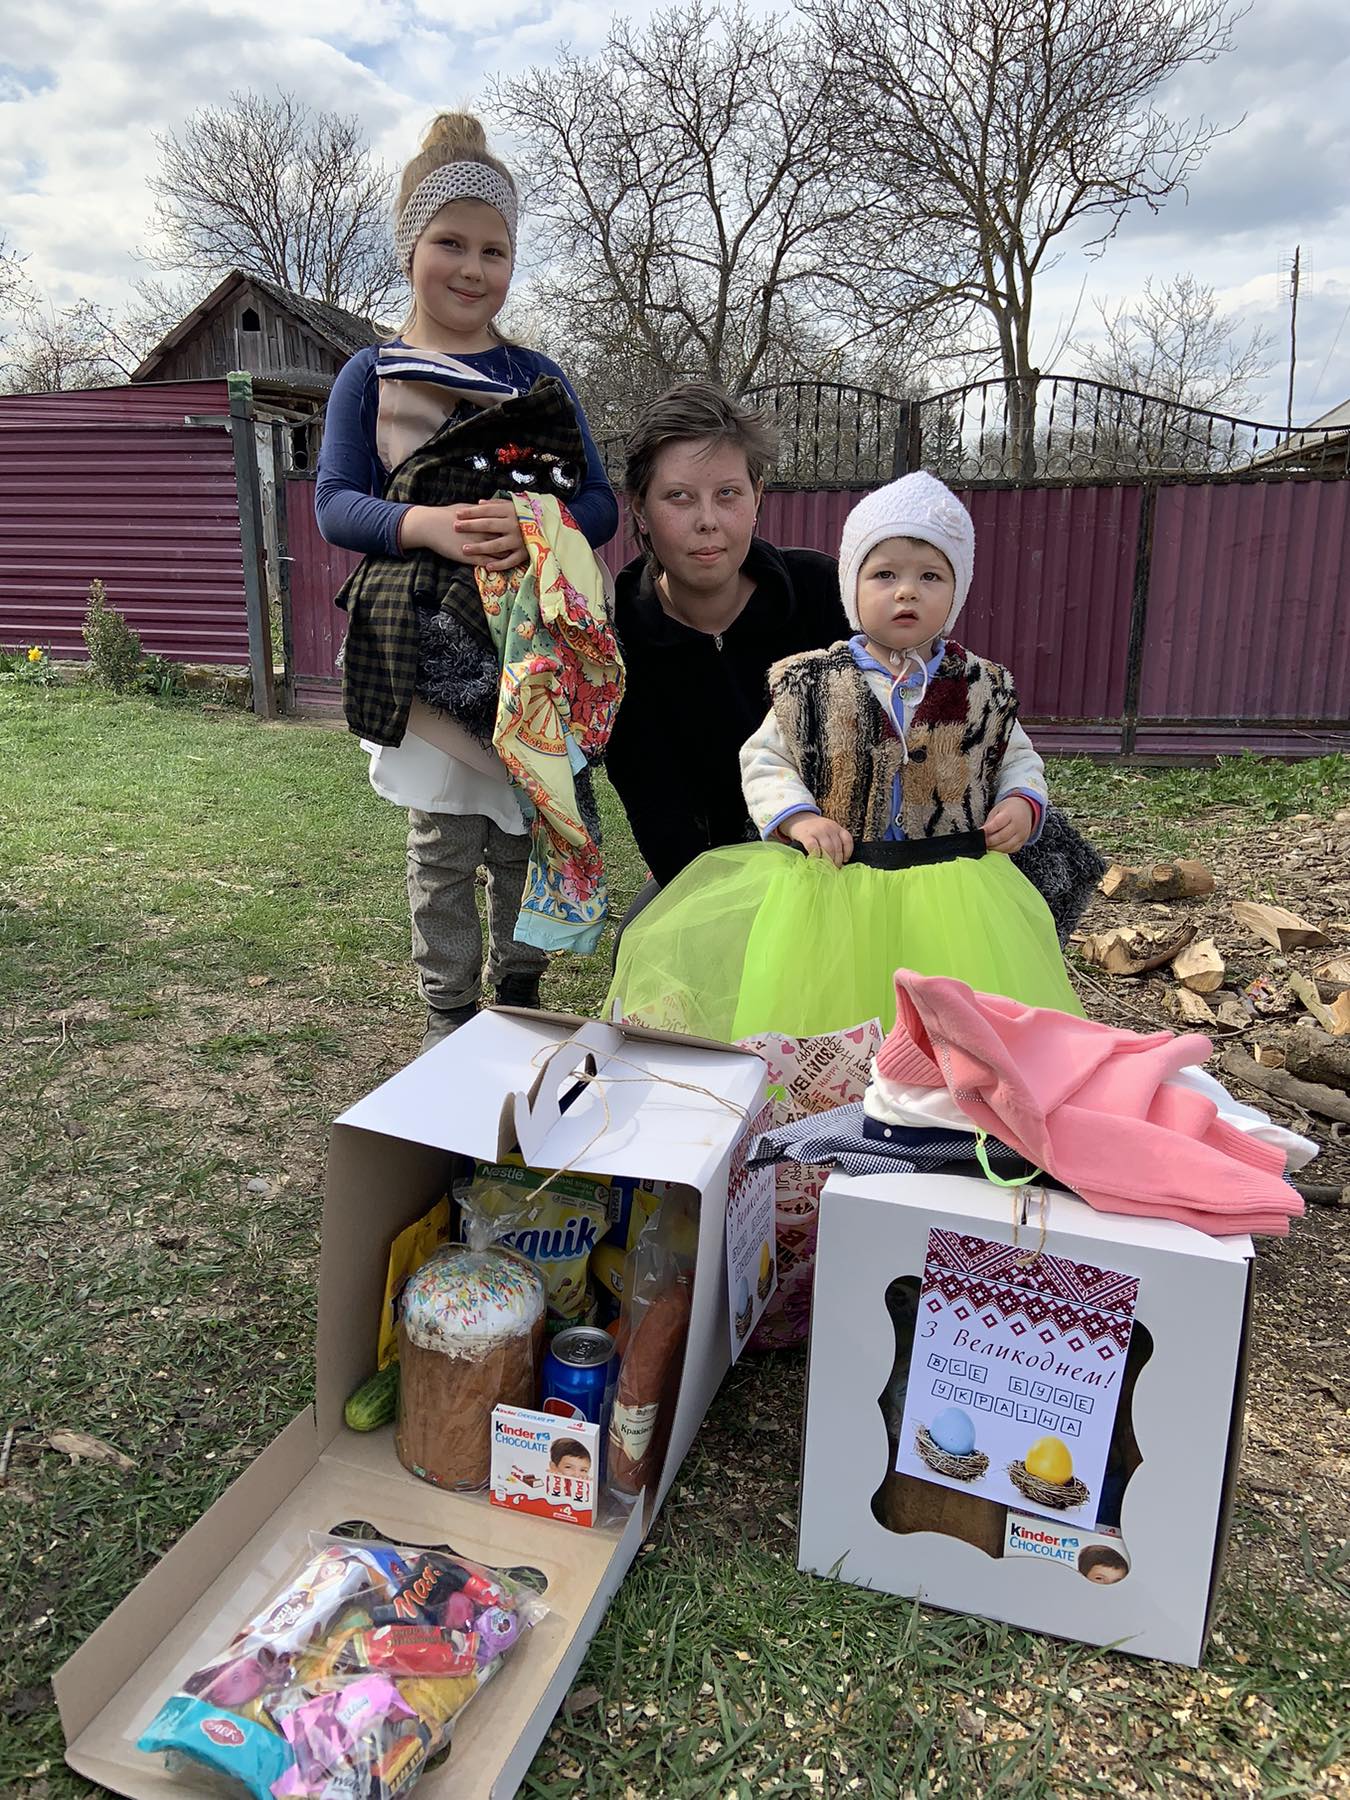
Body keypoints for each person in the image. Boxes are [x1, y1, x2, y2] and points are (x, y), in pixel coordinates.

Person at [316, 112, 619, 1050]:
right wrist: (427, 526)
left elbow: (599, 504)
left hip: (527, 647)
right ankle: (447, 1014)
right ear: (410, 249)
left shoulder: (538, 378)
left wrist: (536, 526)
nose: (473, 268)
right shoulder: (371, 375)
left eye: (496, 250)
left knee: (524, 825)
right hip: (421, 646)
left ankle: (519, 993)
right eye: (450, 242)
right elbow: (335, 503)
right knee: (443, 842)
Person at [607, 470, 1084, 1039]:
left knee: (960, 1028)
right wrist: (798, 818)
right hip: (839, 882)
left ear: (957, 592)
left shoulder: (981, 686)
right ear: (851, 587)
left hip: (952, 888)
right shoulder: (810, 682)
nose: (906, 591)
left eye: (931, 576)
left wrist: (1022, 800)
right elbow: (765, 760)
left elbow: (1015, 756)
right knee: (832, 1012)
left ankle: (943, 1086)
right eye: (884, 575)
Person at [604, 383, 848, 910]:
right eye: (679, 496)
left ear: (758, 496)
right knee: (637, 945)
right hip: (711, 879)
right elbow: (658, 815)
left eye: (728, 494)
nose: (707, 520)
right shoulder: (617, 635)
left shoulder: (824, 593)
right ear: (640, 510)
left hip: (841, 866)